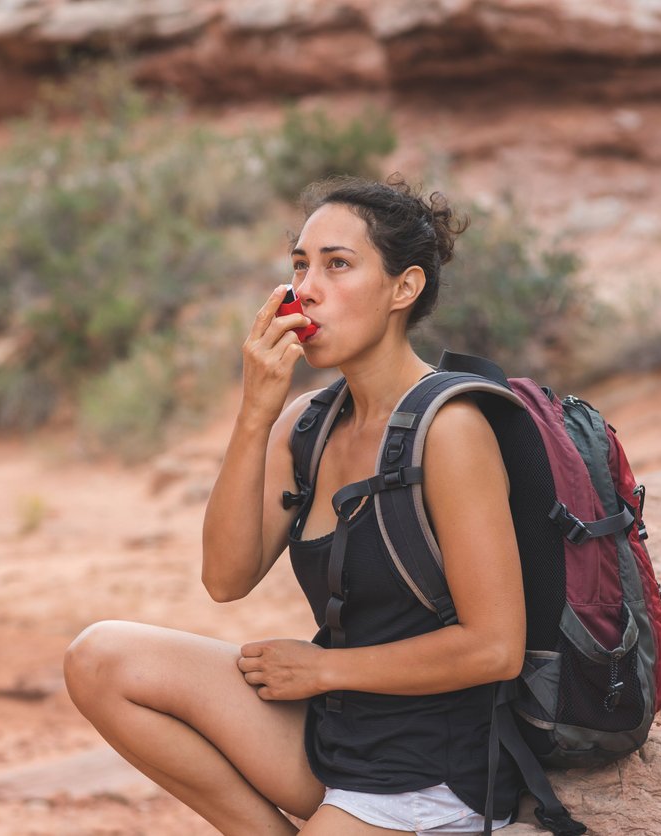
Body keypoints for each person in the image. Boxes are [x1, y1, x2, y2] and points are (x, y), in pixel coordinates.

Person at [64, 175, 525, 835]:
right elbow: (226, 577)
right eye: (300, 266)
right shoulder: (309, 423)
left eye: (338, 265)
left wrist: (323, 668)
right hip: (338, 735)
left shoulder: (449, 428)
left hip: (431, 770)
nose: (304, 290)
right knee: (101, 657)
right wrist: (256, 411)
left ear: (404, 288)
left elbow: (495, 648)